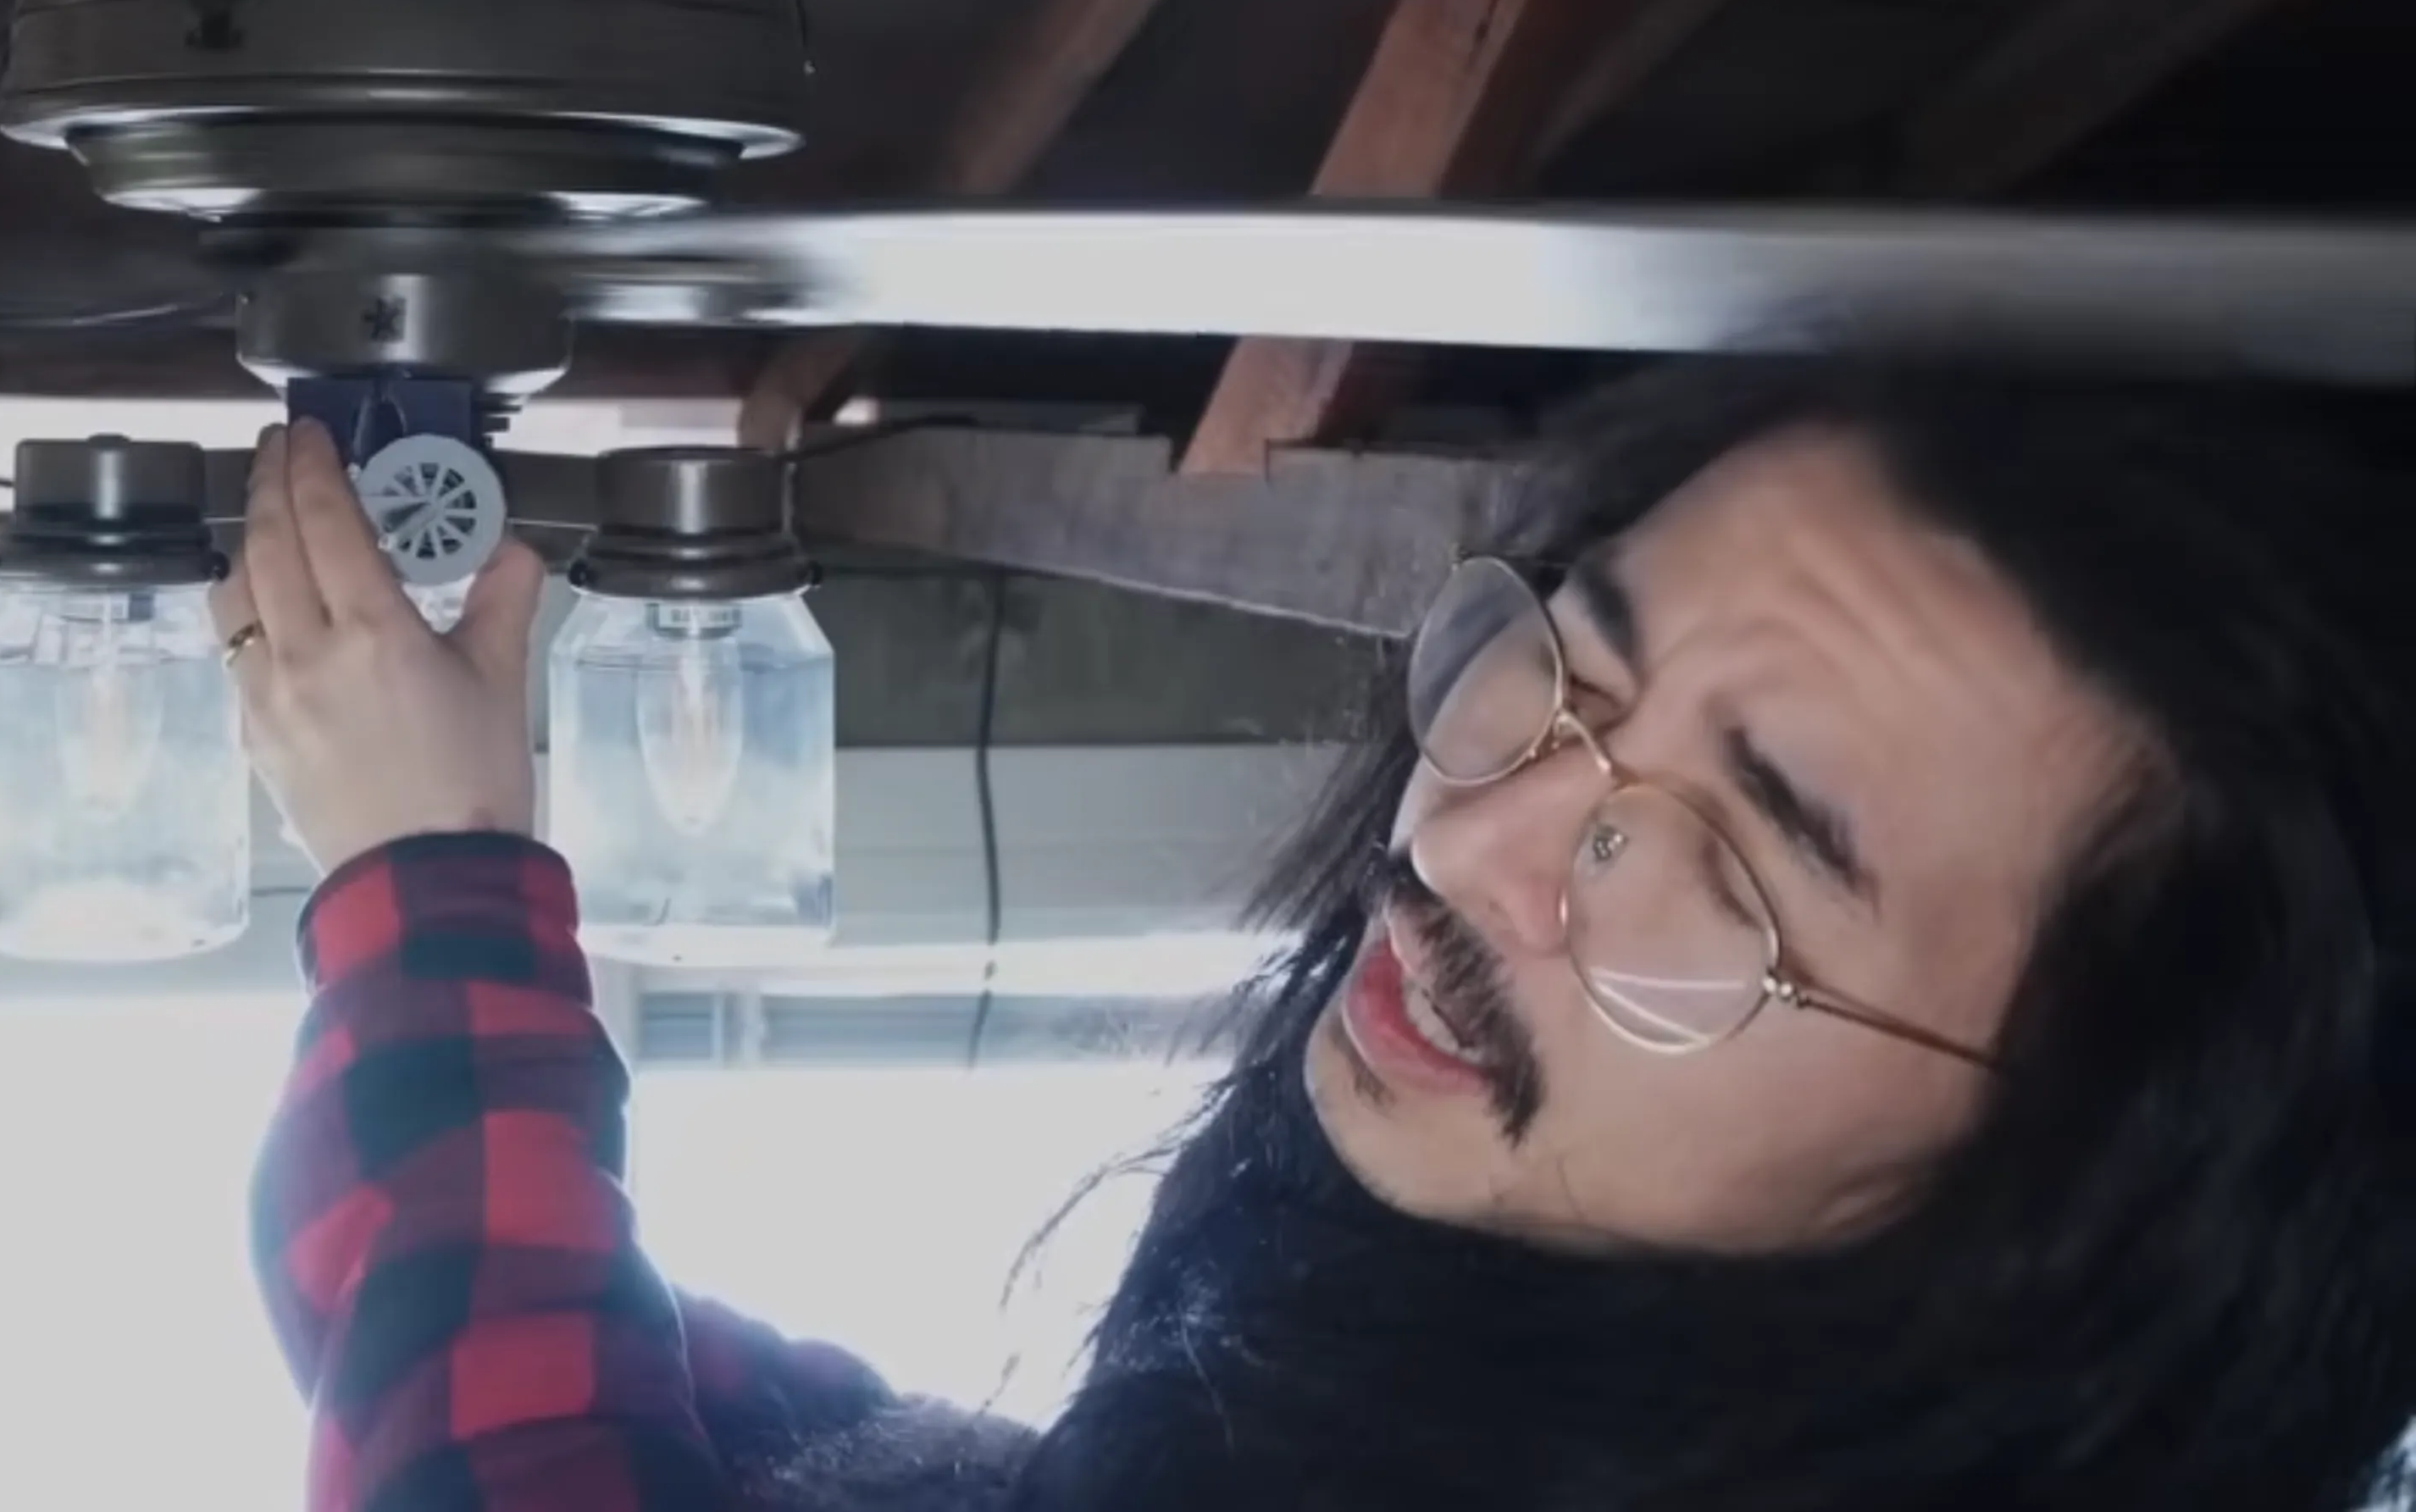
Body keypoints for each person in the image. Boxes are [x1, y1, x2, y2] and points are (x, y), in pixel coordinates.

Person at [213, 360, 2416, 1512]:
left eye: (1740, 858)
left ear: (2092, 1228)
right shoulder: (1441, 1378)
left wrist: (432, 895)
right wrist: (454, 1030)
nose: (1473, 840)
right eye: (1571, 663)